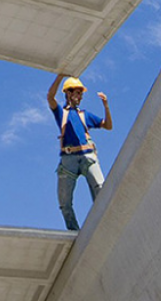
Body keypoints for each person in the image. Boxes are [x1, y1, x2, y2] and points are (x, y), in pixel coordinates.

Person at [47, 73, 112, 231]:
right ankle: (74, 232)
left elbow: (108, 126)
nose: (80, 97)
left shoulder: (85, 115)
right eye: (77, 93)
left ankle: (103, 225)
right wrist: (61, 76)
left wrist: (106, 106)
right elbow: (50, 97)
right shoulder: (61, 113)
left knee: (100, 189)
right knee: (64, 203)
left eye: (81, 94)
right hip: (68, 161)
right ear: (68, 93)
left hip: (87, 157)